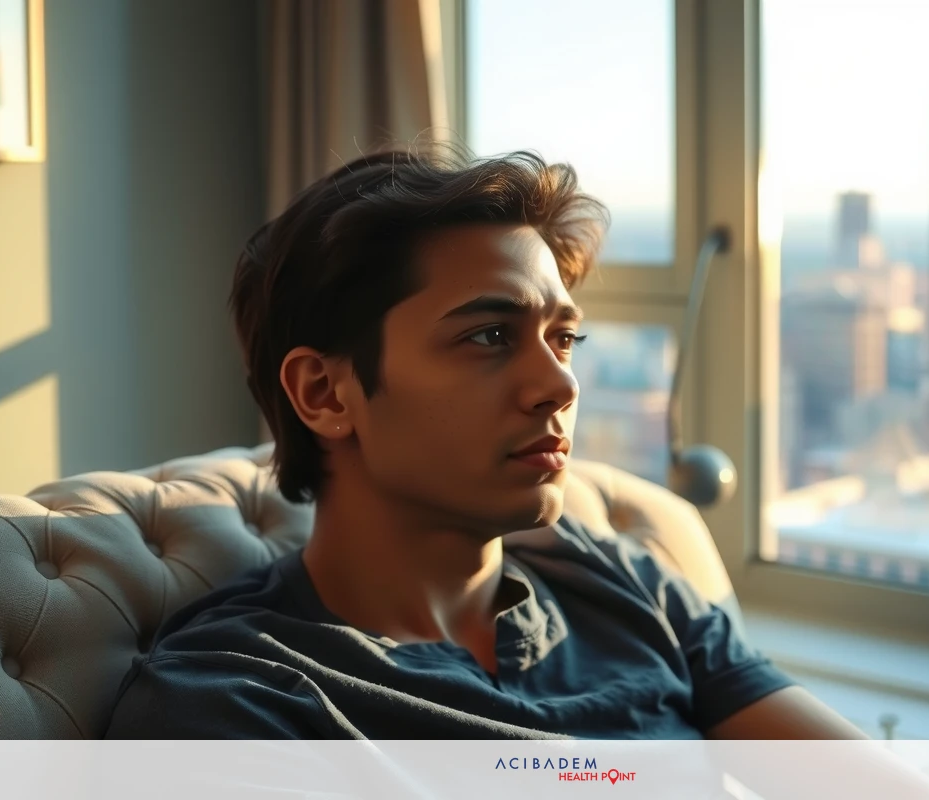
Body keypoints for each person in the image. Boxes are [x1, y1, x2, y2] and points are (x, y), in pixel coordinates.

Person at [104, 144, 866, 740]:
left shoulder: (628, 585)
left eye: (563, 339)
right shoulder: (233, 703)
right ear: (325, 394)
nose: (560, 387)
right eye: (490, 335)